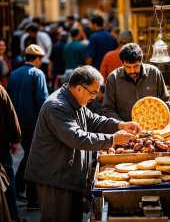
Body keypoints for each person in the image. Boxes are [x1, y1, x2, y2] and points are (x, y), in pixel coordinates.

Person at [25, 65, 141, 222]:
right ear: (79, 88)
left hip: (68, 176)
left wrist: (120, 125)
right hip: (55, 179)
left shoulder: (75, 101)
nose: (94, 97)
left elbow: (94, 120)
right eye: (93, 92)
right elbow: (77, 138)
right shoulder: (56, 106)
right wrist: (113, 140)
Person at [7, 44, 49, 209]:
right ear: (37, 59)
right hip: (33, 124)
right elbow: (42, 101)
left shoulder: (14, 74)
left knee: (28, 156)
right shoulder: (38, 74)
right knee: (35, 159)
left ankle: (18, 187)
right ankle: (32, 199)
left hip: (18, 123)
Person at [102, 43, 169, 121]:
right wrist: (123, 125)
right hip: (125, 130)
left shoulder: (154, 73)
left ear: (141, 61)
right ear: (122, 63)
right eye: (128, 67)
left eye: (136, 66)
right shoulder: (113, 78)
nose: (132, 71)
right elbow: (107, 109)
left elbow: (164, 101)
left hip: (153, 128)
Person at [0, 85, 21, 221]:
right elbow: (11, 115)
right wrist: (15, 139)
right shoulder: (0, 90)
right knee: (7, 178)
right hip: (1, 145)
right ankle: (12, 216)